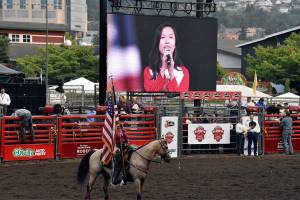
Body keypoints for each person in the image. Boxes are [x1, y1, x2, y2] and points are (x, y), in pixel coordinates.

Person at [144, 23, 189, 92]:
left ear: (175, 45)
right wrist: (163, 69)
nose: (167, 41)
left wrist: (171, 73)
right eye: (163, 37)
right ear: (157, 43)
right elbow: (151, 93)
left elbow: (180, 97)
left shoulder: (183, 72)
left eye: (170, 37)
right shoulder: (148, 71)